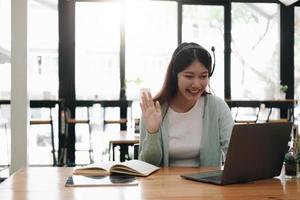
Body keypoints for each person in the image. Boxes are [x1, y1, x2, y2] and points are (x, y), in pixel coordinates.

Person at [138, 42, 234, 167]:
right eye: (189, 76)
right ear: (174, 75)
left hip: (207, 185)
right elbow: (147, 165)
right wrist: (152, 132)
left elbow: (235, 154)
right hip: (163, 186)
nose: (197, 84)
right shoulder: (154, 110)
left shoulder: (217, 107)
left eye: (203, 76)